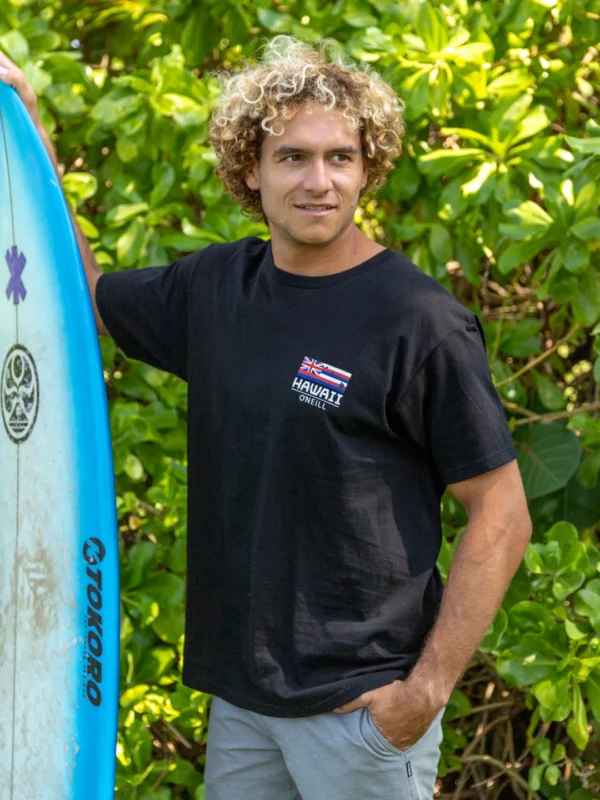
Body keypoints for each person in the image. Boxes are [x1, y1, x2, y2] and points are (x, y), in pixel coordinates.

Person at [0, 35, 532, 800]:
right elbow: (88, 296)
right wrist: (26, 127)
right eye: (293, 158)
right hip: (244, 707)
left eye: (341, 158)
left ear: (369, 168)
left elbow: (502, 513)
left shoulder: (418, 321)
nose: (320, 181)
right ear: (250, 168)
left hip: (361, 712)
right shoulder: (217, 287)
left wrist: (425, 692)